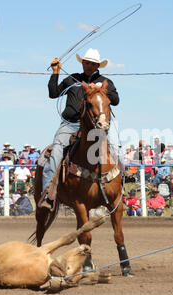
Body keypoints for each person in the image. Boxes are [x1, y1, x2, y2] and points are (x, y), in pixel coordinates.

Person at [40, 48, 119, 209]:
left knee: (114, 156)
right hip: (69, 124)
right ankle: (48, 193)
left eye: (92, 63)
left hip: (95, 129)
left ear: (97, 65)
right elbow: (53, 93)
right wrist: (55, 72)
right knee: (56, 152)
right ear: (82, 63)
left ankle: (116, 191)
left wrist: (97, 91)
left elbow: (116, 100)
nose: (88, 65)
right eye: (86, 62)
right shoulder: (72, 79)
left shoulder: (105, 82)